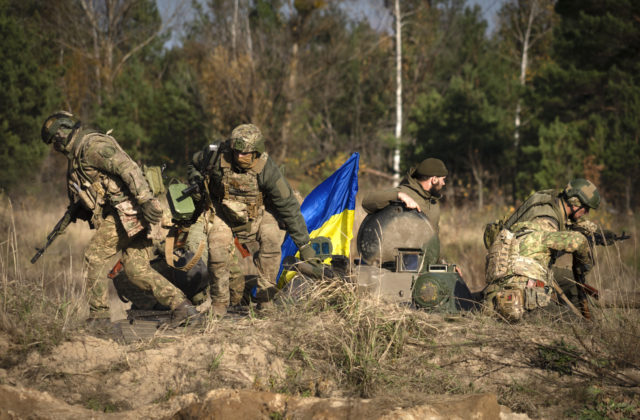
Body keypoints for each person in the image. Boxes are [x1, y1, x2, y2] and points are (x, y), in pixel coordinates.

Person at [41, 111, 199, 326]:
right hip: (131, 214)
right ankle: (183, 308)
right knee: (136, 270)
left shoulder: (91, 147)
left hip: (129, 212)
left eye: (54, 141)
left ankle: (99, 317)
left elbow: (128, 168)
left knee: (94, 256)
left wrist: (145, 200)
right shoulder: (79, 154)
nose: (55, 147)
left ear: (61, 134)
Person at [187, 123, 315, 315]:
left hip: (260, 212)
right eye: (237, 152)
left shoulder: (267, 169)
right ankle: (219, 303)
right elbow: (193, 165)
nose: (240, 156)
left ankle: (265, 300)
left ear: (257, 151)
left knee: (271, 242)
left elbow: (289, 207)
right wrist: (195, 180)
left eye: (245, 153)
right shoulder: (215, 155)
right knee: (217, 248)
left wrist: (304, 246)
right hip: (223, 211)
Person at [483, 179, 600, 321]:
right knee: (573, 321)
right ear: (575, 202)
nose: (586, 212)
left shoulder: (547, 202)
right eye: (586, 208)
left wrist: (596, 233)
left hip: (508, 273)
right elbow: (577, 241)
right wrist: (583, 268)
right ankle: (587, 323)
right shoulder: (546, 222)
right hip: (520, 291)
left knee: (569, 281)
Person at [361, 158, 447, 232]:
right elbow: (367, 202)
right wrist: (399, 195)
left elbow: (433, 235)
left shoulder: (434, 202)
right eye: (443, 179)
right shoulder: (404, 192)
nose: (444, 183)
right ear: (434, 180)